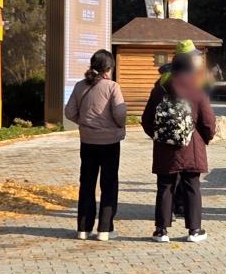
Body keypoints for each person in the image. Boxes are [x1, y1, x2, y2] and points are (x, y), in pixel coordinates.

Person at [142, 42, 217, 243]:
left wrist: (159, 135)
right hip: (192, 146)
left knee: (164, 186)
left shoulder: (160, 87)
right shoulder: (196, 87)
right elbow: (208, 120)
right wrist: (206, 138)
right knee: (192, 185)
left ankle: (161, 231)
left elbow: (146, 119)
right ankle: (194, 230)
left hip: (164, 147)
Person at [63, 49, 127, 240]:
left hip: (87, 141)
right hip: (110, 142)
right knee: (108, 184)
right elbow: (120, 114)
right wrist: (118, 125)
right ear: (109, 68)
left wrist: (84, 123)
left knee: (87, 184)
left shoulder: (79, 86)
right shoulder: (112, 87)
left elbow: (69, 112)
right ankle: (105, 230)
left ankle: (83, 228)